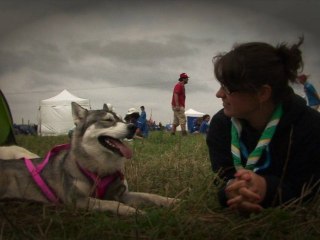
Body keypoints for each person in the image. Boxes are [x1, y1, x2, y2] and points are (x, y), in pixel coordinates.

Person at [206, 38, 320, 214]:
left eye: (227, 88)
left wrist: (266, 188)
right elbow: (223, 176)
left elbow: (307, 187)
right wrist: (232, 190)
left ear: (262, 93)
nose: (218, 94)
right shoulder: (221, 125)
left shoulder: (309, 126)